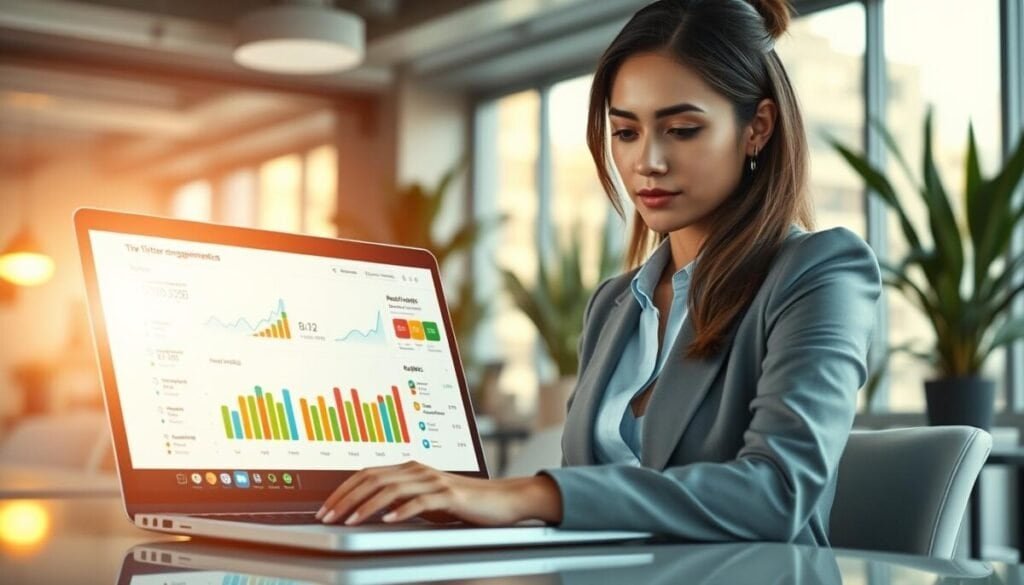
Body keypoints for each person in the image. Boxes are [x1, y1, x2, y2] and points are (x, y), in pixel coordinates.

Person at [314, 0, 882, 545]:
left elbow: (777, 494)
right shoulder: (614, 304)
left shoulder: (818, 272)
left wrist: (524, 497)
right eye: (626, 132)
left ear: (757, 128)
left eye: (681, 130)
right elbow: (589, 505)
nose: (646, 163)